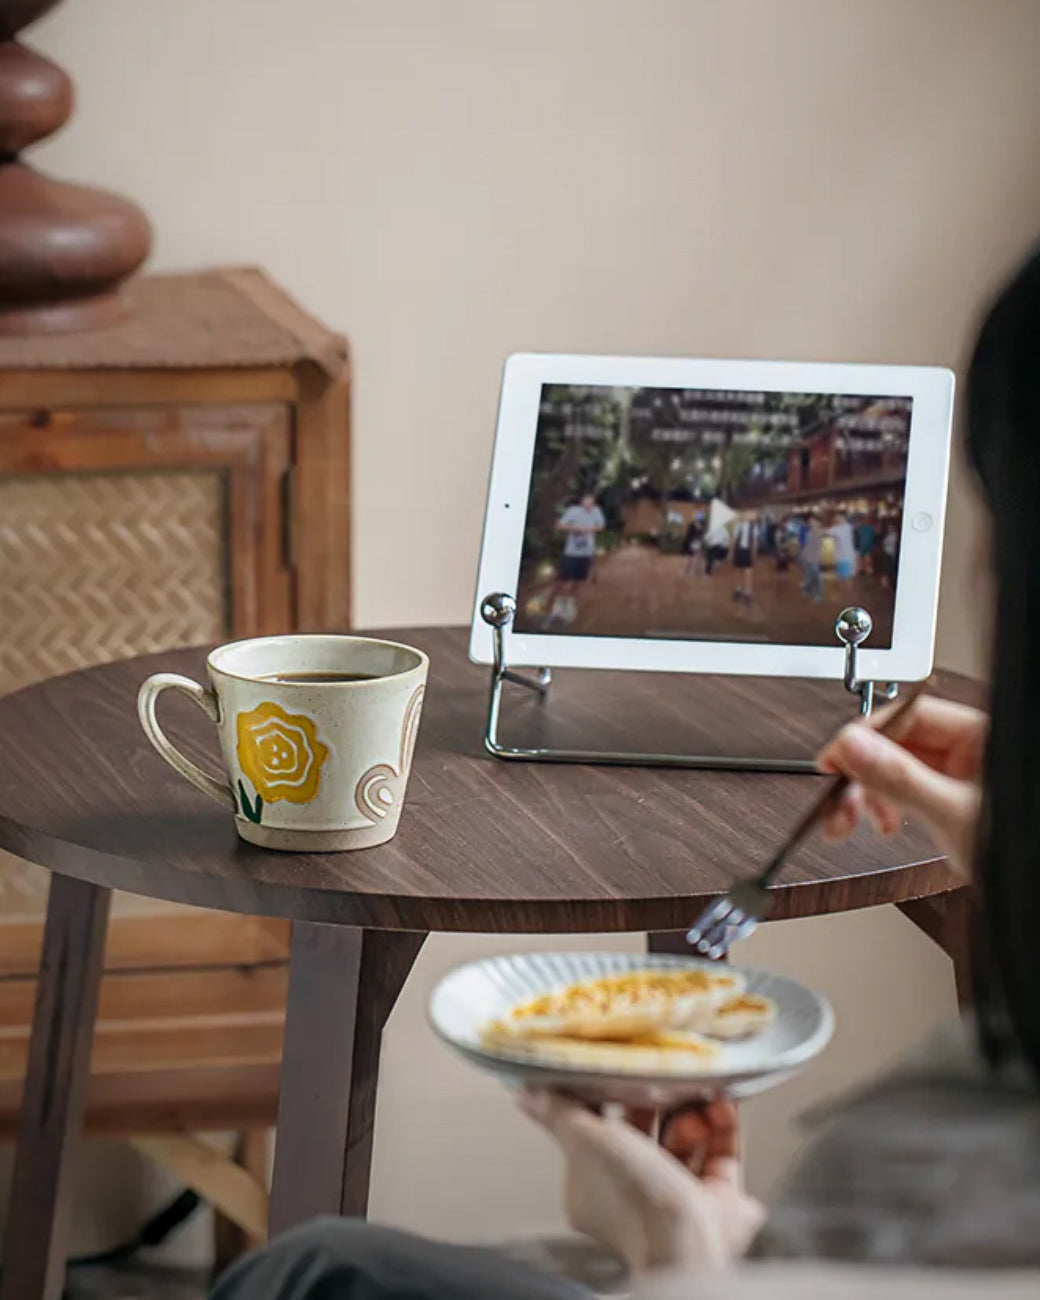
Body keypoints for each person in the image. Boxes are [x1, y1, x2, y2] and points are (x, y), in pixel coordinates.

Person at [209, 250, 1040, 1299]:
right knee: (319, 1261)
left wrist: (678, 1254)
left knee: (304, 1275)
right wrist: (1006, 843)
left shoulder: (929, 1189)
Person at [544, 492, 605, 627]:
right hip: (571, 552)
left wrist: (589, 529)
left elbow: (601, 527)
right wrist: (575, 528)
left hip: (586, 553)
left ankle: (569, 606)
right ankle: (552, 609)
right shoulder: (573, 511)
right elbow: (560, 525)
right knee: (562, 580)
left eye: (591, 502)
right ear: (582, 501)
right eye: (587, 502)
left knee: (579, 581)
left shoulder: (596, 511)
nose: (589, 505)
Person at [731, 512, 756, 604]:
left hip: (748, 550)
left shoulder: (753, 526)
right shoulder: (738, 525)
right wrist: (732, 551)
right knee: (737, 570)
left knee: (748, 571)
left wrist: (754, 554)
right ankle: (738, 589)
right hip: (739, 550)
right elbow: (733, 538)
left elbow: (755, 540)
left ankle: (748, 592)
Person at [799, 515, 824, 601]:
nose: (810, 523)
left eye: (812, 521)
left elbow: (819, 546)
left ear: (818, 522)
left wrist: (818, 557)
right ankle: (808, 591)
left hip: (814, 557)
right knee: (809, 575)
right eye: (810, 521)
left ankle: (818, 595)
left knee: (816, 577)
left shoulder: (819, 532)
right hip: (806, 555)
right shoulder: (809, 530)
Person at [828, 511, 856, 585]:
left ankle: (849, 595)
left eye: (839, 517)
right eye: (837, 517)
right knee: (841, 579)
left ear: (844, 518)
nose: (837, 518)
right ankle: (844, 595)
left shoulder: (848, 527)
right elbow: (826, 532)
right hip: (839, 556)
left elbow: (827, 532)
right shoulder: (836, 528)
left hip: (847, 557)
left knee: (847, 580)